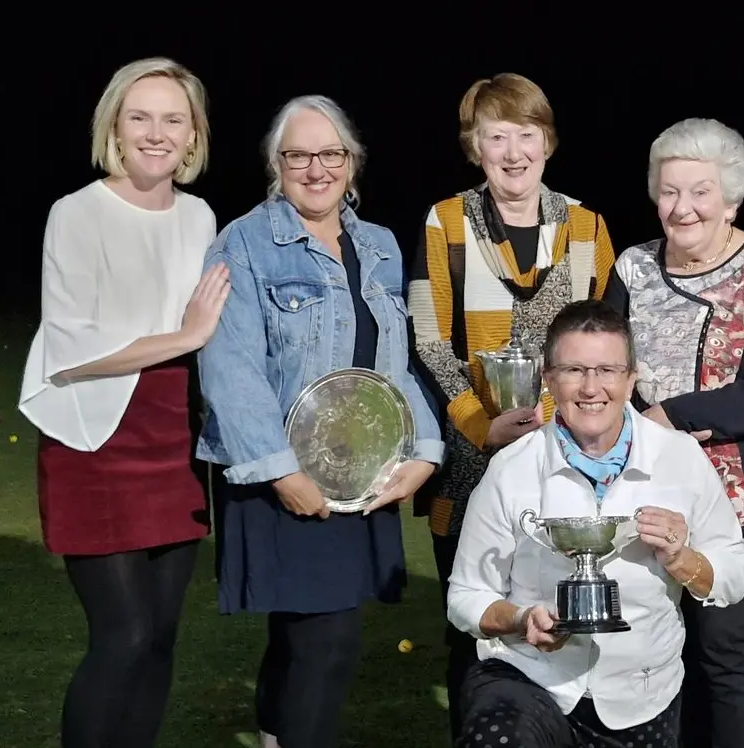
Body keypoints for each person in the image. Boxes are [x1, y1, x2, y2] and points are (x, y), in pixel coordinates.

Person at [195, 95, 445, 748]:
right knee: (326, 641)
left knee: (303, 636)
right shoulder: (242, 242)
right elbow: (229, 369)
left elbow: (398, 363)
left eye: (329, 154)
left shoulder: (382, 247)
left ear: (351, 162)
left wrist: (424, 449)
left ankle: (277, 736)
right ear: (277, 165)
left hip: (357, 471)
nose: (316, 169)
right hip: (281, 474)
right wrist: (282, 472)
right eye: (298, 155)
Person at [16, 57, 224, 748]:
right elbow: (70, 354)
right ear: (115, 125)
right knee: (124, 634)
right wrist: (185, 335)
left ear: (193, 135)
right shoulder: (76, 213)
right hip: (95, 440)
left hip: (174, 440)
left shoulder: (200, 217)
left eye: (173, 118)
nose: (156, 133)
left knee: (161, 638)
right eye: (140, 116)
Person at [407, 72, 617, 739]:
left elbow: (607, 345)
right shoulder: (445, 223)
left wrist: (574, 427)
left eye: (525, 134)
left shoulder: (586, 228)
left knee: (571, 618)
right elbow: (428, 338)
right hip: (473, 461)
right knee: (474, 627)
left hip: (569, 461)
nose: (513, 151)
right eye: (496, 136)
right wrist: (480, 423)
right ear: (476, 146)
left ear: (547, 142)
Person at [445, 299, 744, 748]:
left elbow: (735, 573)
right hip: (530, 677)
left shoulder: (679, 458)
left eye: (607, 370)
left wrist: (681, 558)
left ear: (631, 379)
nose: (591, 388)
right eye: (573, 370)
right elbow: (466, 596)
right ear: (548, 379)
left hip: (642, 692)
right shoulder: (512, 468)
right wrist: (519, 619)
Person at [603, 117, 744, 748]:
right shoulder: (632, 267)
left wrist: (668, 417)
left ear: (731, 201)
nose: (683, 207)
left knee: (724, 645)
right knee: (654, 643)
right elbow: (610, 361)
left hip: (734, 493)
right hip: (643, 484)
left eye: (700, 192)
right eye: (669, 191)